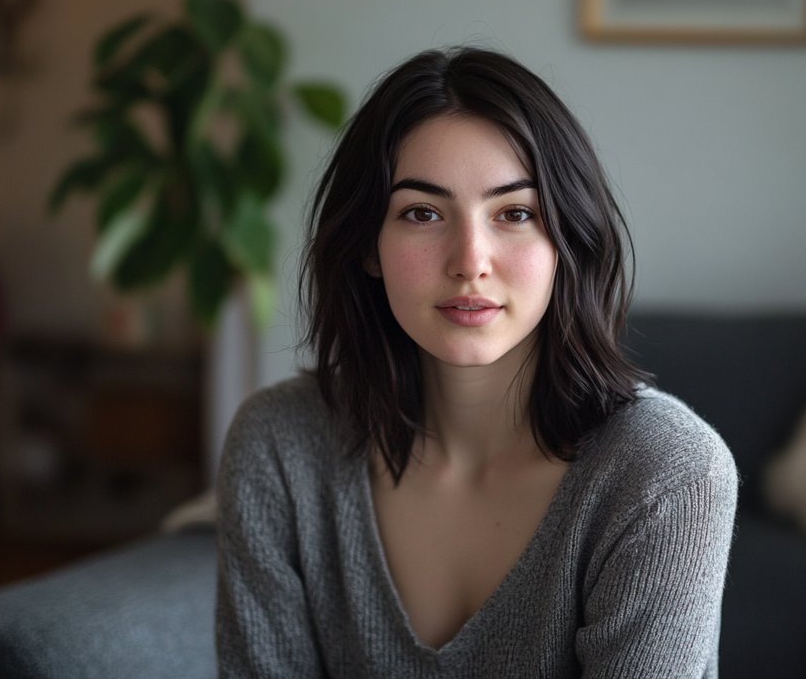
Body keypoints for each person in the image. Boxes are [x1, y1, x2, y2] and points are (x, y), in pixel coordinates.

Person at [215, 46, 737, 678]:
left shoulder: (667, 473)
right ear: (367, 247)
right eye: (422, 213)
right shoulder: (279, 445)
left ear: (566, 242)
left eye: (515, 213)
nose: (470, 259)